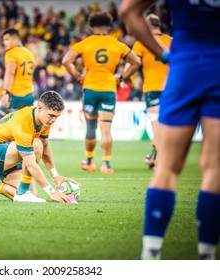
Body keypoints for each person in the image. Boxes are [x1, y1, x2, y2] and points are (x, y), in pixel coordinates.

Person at [120, 0, 220, 260]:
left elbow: (129, 11)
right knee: (215, 169)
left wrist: (164, 54)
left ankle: (150, 255)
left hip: (184, 69)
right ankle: (207, 256)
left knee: (166, 167)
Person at [62, 12, 141, 174]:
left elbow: (65, 61)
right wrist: (122, 77)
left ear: (91, 27)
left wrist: (77, 76)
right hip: (109, 89)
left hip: (90, 88)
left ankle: (90, 162)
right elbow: (136, 62)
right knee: (106, 129)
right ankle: (106, 165)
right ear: (109, 27)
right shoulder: (117, 44)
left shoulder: (85, 43)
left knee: (91, 127)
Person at [0, 90, 72, 203]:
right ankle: (23, 192)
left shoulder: (45, 121)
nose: (53, 120)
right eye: (51, 115)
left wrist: (56, 176)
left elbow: (45, 149)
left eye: (56, 117)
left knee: (32, 195)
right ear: (39, 108)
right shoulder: (24, 123)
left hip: (11, 154)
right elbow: (30, 163)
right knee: (36, 144)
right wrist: (51, 191)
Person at [131, 14, 172, 169]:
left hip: (152, 89)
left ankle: (162, 163)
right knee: (166, 125)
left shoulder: (142, 42)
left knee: (156, 126)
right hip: (171, 88)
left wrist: (125, 77)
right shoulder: (172, 41)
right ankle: (153, 158)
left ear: (147, 26)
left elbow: (133, 63)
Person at [0, 28, 36, 120]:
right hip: (29, 96)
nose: (4, 42)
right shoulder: (30, 53)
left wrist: (5, 92)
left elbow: (10, 73)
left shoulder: (12, 52)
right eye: (3, 40)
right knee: (25, 126)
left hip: (15, 96)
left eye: (7, 39)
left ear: (16, 39)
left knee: (0, 125)